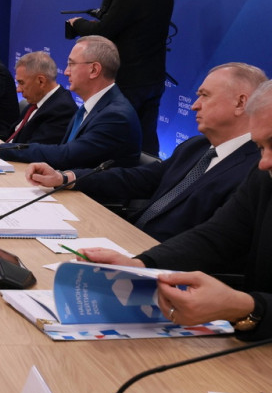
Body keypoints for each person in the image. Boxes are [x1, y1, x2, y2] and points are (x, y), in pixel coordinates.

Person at [77, 79, 272, 341]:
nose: (264, 161)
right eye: (261, 147)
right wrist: (141, 264)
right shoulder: (262, 176)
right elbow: (217, 236)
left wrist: (247, 306)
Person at [25, 62, 264, 241]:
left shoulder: (256, 169)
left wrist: (142, 260)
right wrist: (66, 178)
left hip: (167, 264)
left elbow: (212, 243)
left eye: (204, 95)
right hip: (131, 237)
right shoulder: (195, 147)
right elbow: (140, 178)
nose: (194, 105)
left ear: (240, 103)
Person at [67, 0, 174, 156]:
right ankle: (149, 173)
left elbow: (103, 31)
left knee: (117, 139)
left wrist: (77, 23)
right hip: (155, 78)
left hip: (129, 80)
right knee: (147, 138)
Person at [0, 36, 142, 168]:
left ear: (94, 70)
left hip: (89, 197)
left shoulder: (115, 116)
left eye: (71, 64)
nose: (67, 72)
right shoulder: (90, 107)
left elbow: (67, 155)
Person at [4, 51, 77, 145]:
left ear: (41, 81)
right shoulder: (36, 99)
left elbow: (33, 150)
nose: (18, 90)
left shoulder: (63, 109)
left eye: (21, 83)